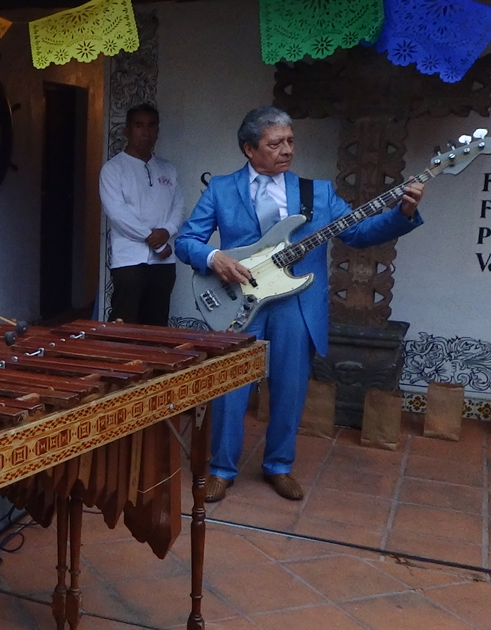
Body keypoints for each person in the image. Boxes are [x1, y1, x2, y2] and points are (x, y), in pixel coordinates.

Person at [174, 105, 424, 503]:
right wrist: (213, 258)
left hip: (296, 304)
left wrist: (404, 211)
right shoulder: (222, 189)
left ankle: (279, 465)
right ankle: (220, 469)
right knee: (228, 390)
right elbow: (186, 241)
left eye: (290, 141)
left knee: (290, 389)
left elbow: (358, 233)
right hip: (237, 302)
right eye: (275, 143)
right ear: (249, 149)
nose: (286, 149)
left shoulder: (317, 192)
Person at [100, 103, 186, 325]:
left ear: (158, 130)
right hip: (129, 261)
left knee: (157, 326)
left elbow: (178, 206)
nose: (145, 132)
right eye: (139, 125)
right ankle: (120, 361)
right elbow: (118, 214)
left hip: (163, 263)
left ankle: (153, 362)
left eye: (151, 125)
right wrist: (155, 242)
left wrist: (167, 231)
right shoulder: (113, 169)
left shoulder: (168, 169)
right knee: (124, 325)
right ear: (127, 130)